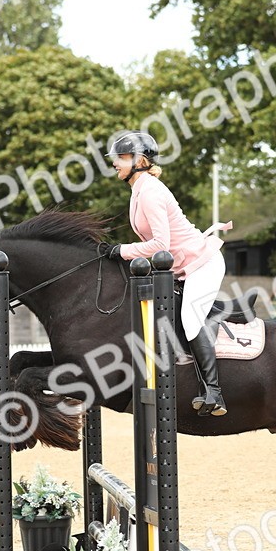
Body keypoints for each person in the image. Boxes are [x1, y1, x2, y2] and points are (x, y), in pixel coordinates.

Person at [97, 130, 229, 416]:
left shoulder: (151, 192)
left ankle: (214, 392)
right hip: (184, 267)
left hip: (202, 264)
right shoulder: (138, 189)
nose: (115, 164)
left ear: (139, 160)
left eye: (120, 158)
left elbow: (161, 245)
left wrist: (121, 250)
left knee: (191, 320)